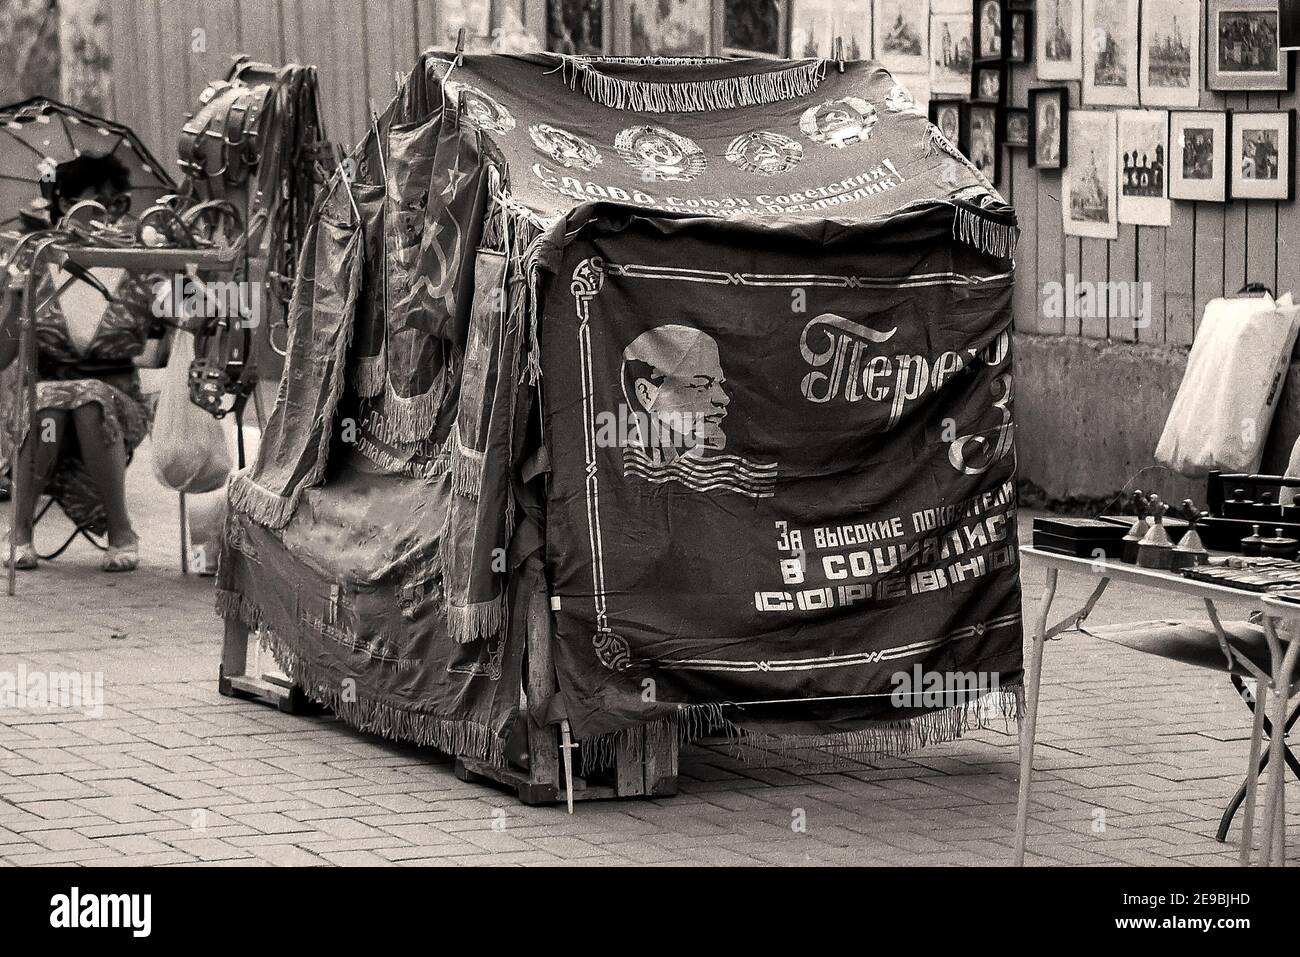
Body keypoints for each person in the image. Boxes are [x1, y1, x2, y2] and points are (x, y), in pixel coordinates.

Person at [0, 153, 161, 572]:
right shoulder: (36, 259)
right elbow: (4, 357)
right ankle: (19, 532)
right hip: (48, 406)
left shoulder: (138, 261)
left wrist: (209, 288)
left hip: (116, 399)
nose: (107, 215)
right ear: (66, 203)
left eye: (116, 204)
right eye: (95, 203)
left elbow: (182, 321)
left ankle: (122, 531)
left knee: (88, 401)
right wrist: (14, 301)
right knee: (51, 404)